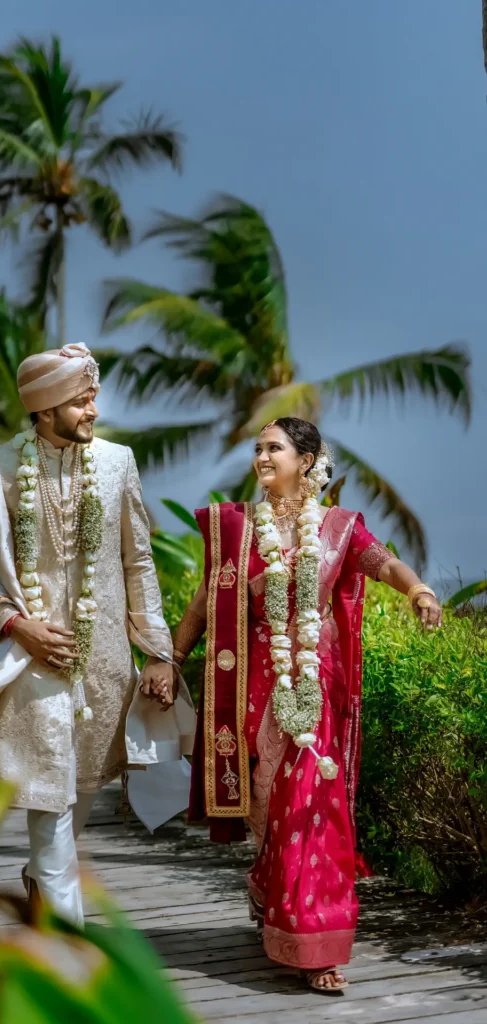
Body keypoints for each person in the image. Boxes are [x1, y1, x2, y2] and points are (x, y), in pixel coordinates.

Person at [0, 342, 193, 928]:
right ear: (44, 410)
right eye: (81, 399)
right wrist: (17, 624)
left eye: (93, 396)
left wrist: (159, 654)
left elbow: (139, 562)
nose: (93, 408)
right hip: (28, 668)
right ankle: (72, 952)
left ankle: (41, 884)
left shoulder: (118, 462)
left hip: (105, 668)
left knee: (79, 798)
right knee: (48, 808)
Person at [171, 417, 442, 994]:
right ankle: (269, 886)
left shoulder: (340, 528)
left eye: (274, 448)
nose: (261, 457)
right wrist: (166, 660)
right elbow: (203, 602)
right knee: (269, 805)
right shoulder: (238, 529)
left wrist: (417, 588)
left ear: (308, 459)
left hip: (317, 688)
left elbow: (384, 563)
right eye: (258, 448)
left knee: (312, 808)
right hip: (255, 688)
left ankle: (318, 945)